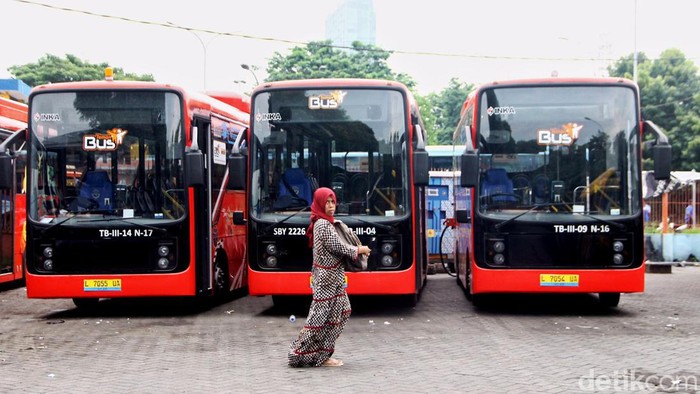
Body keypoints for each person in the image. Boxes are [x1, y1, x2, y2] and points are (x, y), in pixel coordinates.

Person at [287, 187, 371, 368]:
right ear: (319, 204)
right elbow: (338, 247)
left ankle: (323, 354)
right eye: (327, 202)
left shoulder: (327, 222)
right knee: (319, 318)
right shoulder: (322, 225)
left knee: (342, 312)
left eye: (333, 202)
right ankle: (299, 353)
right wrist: (360, 250)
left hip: (336, 277)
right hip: (326, 280)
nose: (331, 206)